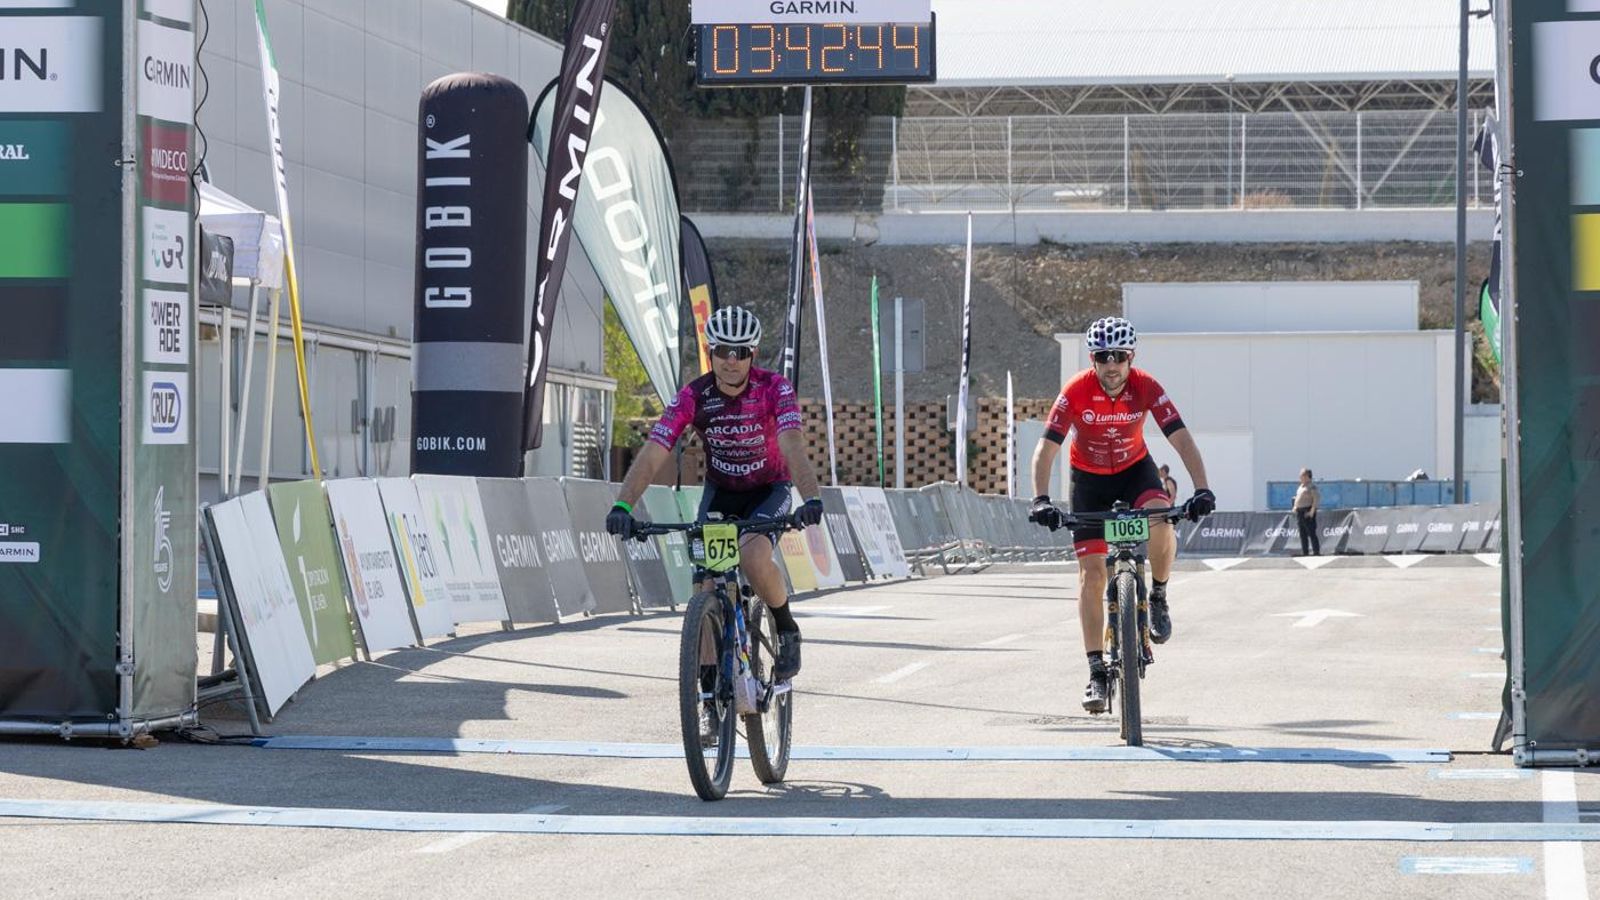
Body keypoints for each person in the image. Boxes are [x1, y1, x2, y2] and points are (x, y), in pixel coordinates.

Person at [604, 306, 824, 692]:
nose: (731, 360)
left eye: (740, 352)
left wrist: (811, 498)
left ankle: (787, 628)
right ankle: (707, 694)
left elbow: (792, 445)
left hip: (768, 490)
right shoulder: (695, 394)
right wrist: (623, 505)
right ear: (711, 353)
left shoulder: (775, 388)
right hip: (721, 491)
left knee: (754, 557)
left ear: (753, 354)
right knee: (704, 583)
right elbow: (655, 450)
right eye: (722, 350)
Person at [1026, 316, 1214, 714]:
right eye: (1102, 357)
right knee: (1092, 574)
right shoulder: (1077, 389)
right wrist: (1041, 498)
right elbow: (1046, 448)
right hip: (1089, 480)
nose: (1111, 365)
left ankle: (1159, 594)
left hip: (1134, 471)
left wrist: (1201, 488)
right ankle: (1096, 671)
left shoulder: (1147, 386)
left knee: (1162, 515)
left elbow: (1180, 437)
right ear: (1093, 359)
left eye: (1119, 357)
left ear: (1131, 358)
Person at [1294, 468, 1321, 556]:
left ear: (1306, 476)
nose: (1300, 477)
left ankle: (1316, 552)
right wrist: (1295, 506)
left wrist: (1312, 511)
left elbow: (1316, 498)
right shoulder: (1301, 486)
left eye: (1301, 475)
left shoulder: (1311, 486)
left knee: (1311, 533)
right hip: (1300, 512)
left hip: (1307, 511)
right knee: (1302, 534)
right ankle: (1305, 552)